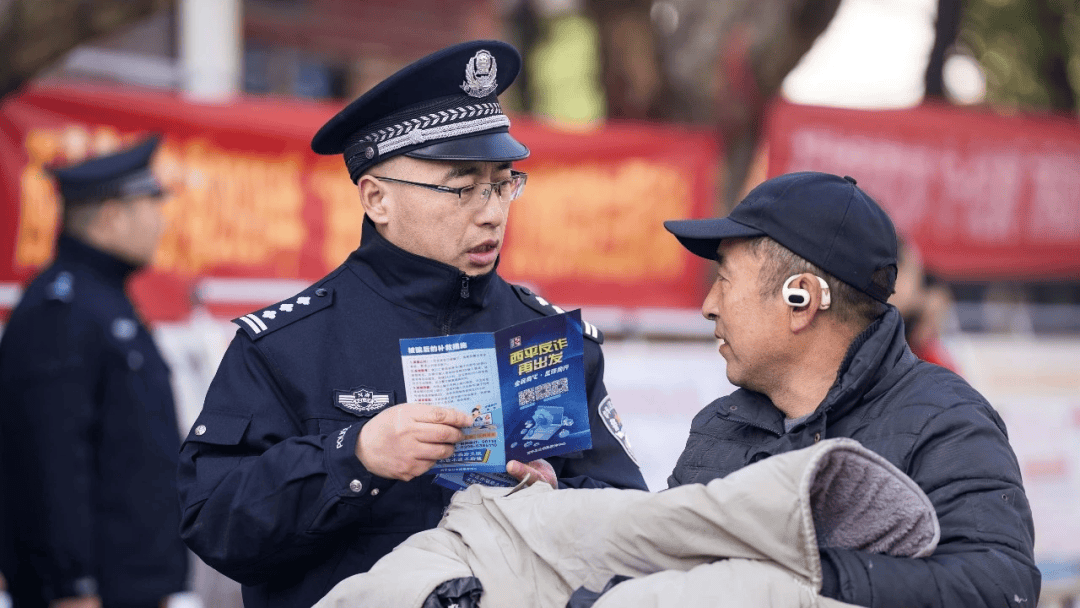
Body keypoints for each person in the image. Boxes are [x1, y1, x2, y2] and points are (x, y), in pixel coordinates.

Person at [177, 39, 646, 608]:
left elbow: (627, 518)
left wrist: (557, 500)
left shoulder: (546, 338)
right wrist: (355, 456)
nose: (492, 212)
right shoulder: (285, 346)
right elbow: (216, 524)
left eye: (503, 183)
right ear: (377, 199)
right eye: (462, 187)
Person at [663, 171, 1039, 606]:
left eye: (724, 279)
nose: (709, 306)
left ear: (801, 299)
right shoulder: (719, 426)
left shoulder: (946, 422)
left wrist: (797, 580)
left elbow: (998, 589)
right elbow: (656, 566)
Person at [0, 138, 189, 608]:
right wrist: (71, 585)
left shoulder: (104, 300)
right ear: (111, 217)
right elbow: (49, 459)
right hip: (91, 591)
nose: (161, 222)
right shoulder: (62, 310)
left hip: (132, 584)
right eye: (152, 207)